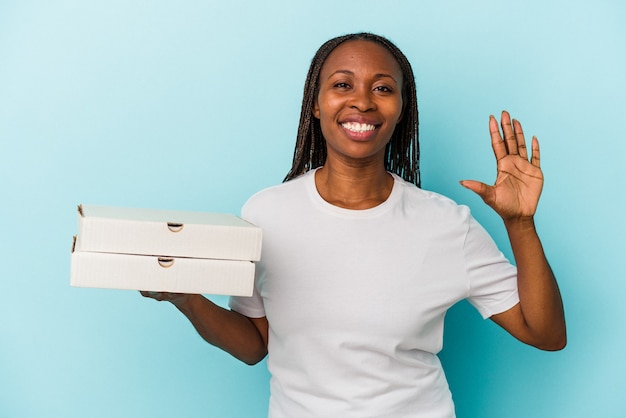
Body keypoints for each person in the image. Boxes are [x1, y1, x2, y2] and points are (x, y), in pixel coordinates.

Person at [141, 32, 566, 417]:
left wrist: (520, 224)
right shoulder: (265, 214)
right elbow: (255, 344)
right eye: (342, 84)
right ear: (316, 102)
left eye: (382, 88)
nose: (362, 101)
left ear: (401, 109)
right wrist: (187, 298)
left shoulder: (446, 224)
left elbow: (545, 333)